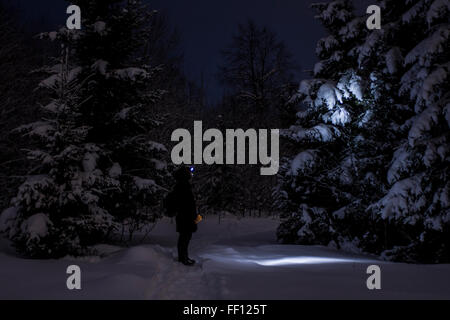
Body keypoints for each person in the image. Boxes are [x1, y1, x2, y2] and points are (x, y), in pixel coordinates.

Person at [172, 166, 197, 266]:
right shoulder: (182, 186)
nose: (191, 175)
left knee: (185, 237)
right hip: (185, 216)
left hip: (185, 216)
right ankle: (183, 258)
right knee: (184, 237)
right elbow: (185, 203)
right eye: (189, 173)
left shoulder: (183, 185)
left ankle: (184, 257)